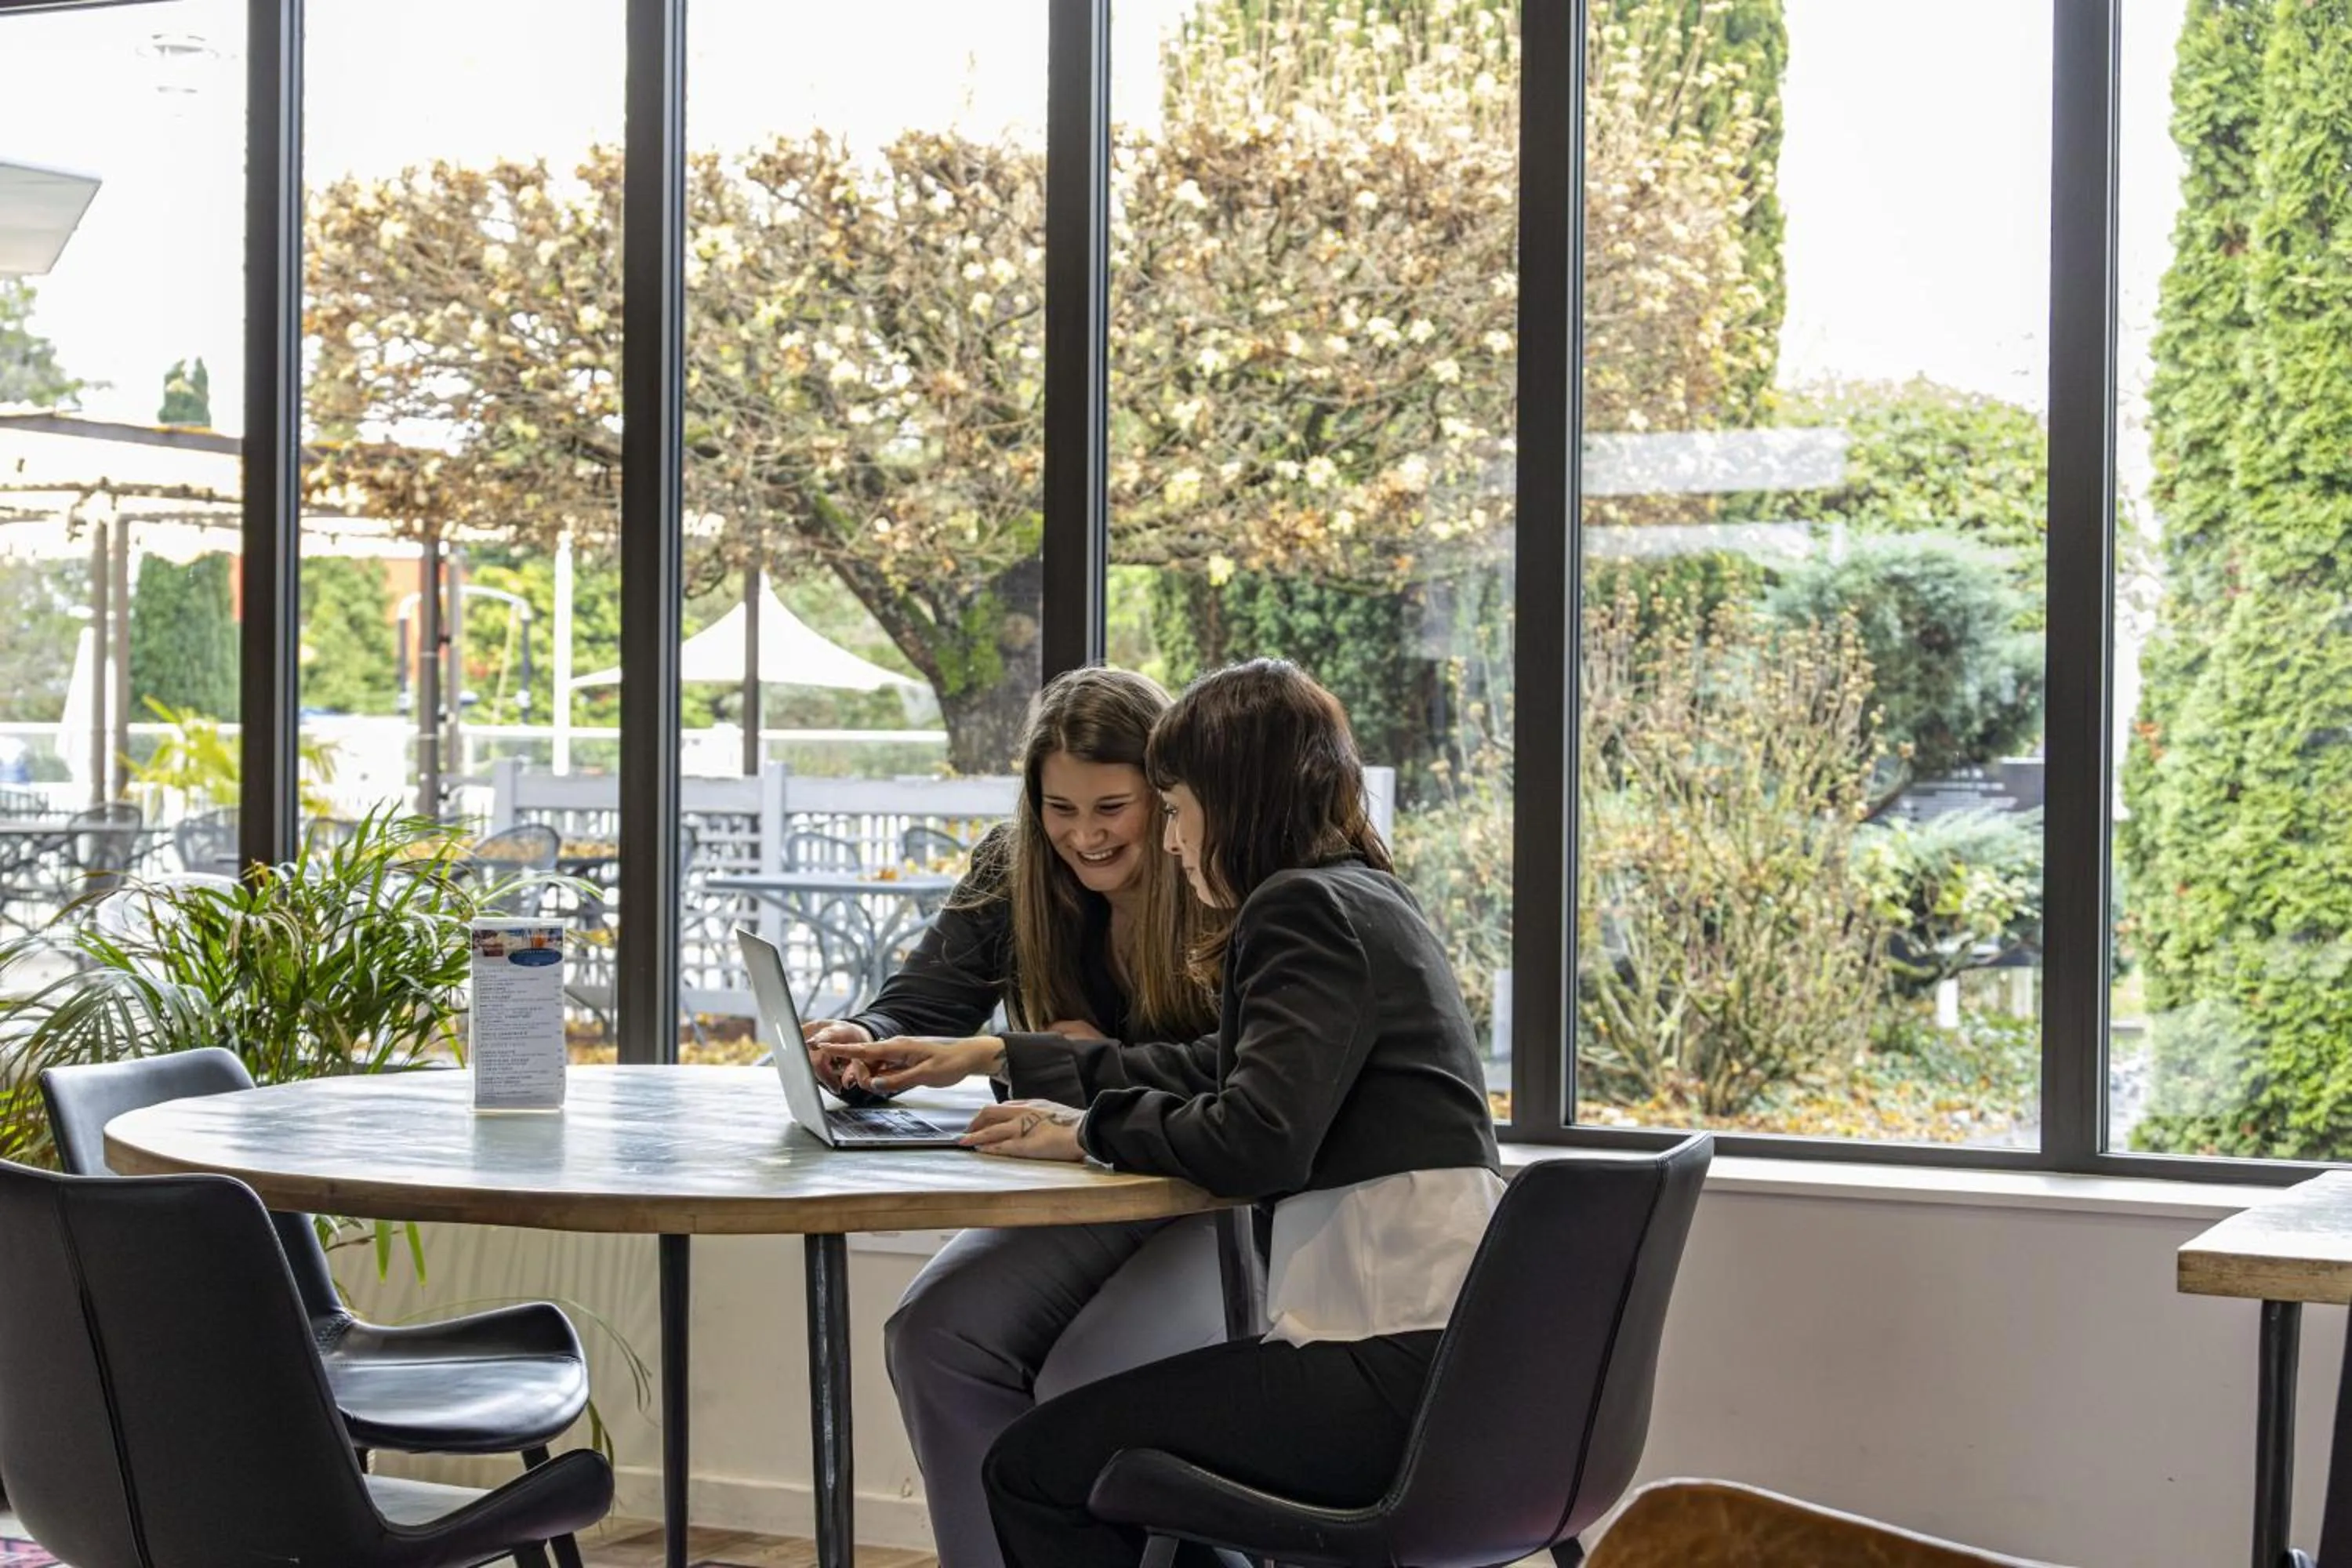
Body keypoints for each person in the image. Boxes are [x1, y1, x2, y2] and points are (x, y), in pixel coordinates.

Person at [829, 659, 1501, 1568]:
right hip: (1445, 1348)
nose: (1171, 842)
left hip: (1375, 1349)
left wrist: (1080, 1121)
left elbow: (1251, 1134)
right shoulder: (1362, 894)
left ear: (1229, 798)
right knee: (1062, 1426)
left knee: (1046, 1459)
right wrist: (1034, 1072)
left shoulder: (1295, 907)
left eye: (1166, 808)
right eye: (1060, 811)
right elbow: (1224, 1069)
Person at [797, 666, 1225, 1568]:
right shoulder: (1015, 863)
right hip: (1088, 1182)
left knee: (1086, 1383)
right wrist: (863, 1039)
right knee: (932, 1335)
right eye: (1059, 808)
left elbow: (1240, 1077)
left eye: (1113, 806)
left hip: (1217, 1191)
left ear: (1169, 794)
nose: (1084, 835)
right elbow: (924, 998)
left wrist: (1052, 1056)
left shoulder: (1222, 876)